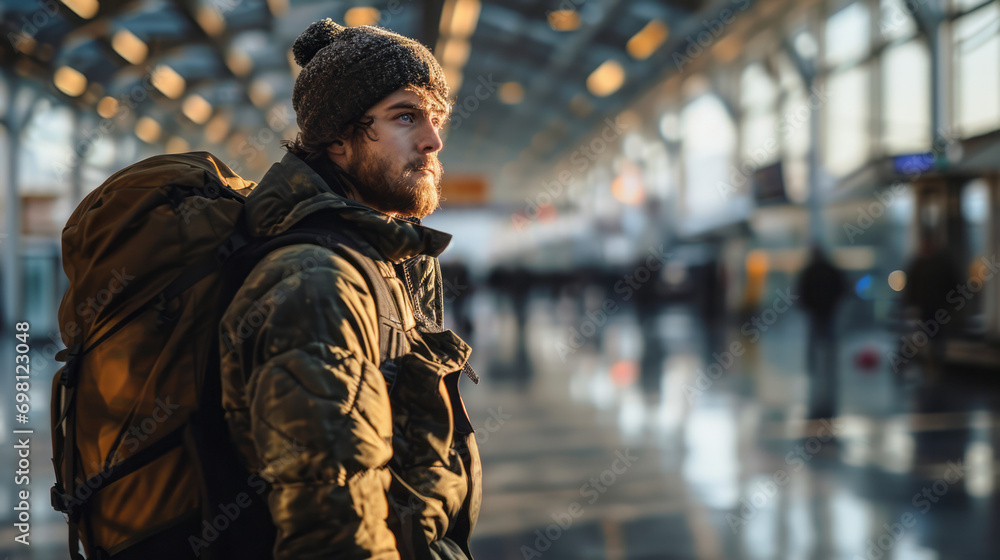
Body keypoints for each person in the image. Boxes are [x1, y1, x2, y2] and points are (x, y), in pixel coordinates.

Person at [218, 20, 481, 559]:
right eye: (406, 116)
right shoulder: (316, 284)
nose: (432, 139)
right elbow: (335, 532)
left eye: (435, 120)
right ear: (337, 140)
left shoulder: (379, 261)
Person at [796, 245, 846, 418]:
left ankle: (815, 365)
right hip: (825, 310)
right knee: (826, 338)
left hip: (818, 310)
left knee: (816, 338)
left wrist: (808, 305)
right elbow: (842, 287)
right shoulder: (828, 270)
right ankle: (827, 365)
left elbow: (801, 291)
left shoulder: (811, 271)